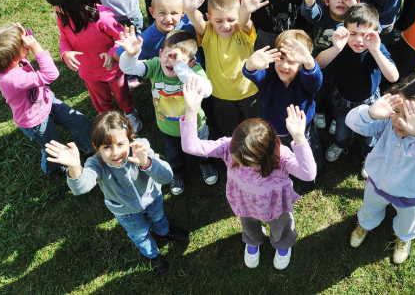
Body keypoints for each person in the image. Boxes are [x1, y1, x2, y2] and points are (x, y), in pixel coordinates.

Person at [180, 75, 317, 270]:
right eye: (239, 159)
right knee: (248, 225)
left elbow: (309, 174)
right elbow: (191, 146)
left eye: (250, 161)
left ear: (268, 152)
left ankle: (282, 244)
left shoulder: (281, 156)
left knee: (280, 228)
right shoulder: (228, 146)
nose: (243, 164)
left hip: (276, 204)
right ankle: (253, 240)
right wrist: (192, 110)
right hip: (243, 201)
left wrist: (299, 138)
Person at [44, 111, 189, 273]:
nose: (115, 153)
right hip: (125, 211)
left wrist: (146, 162)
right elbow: (80, 187)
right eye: (106, 147)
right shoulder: (96, 164)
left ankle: (163, 231)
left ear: (130, 139)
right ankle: (152, 255)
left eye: (120, 144)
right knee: (140, 234)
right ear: (96, 147)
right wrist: (75, 167)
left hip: (153, 198)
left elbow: (167, 177)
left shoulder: (141, 148)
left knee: (158, 217)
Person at [346, 74, 415, 264]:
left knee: (407, 222)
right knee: (370, 208)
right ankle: (365, 224)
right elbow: (351, 122)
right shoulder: (387, 122)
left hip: (410, 194)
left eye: (409, 117)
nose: (399, 121)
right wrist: (370, 114)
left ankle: (404, 239)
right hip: (377, 184)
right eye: (397, 111)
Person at [117, 26, 218, 196]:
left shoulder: (194, 73)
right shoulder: (155, 66)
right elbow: (128, 69)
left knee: (202, 149)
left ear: (191, 64)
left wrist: (181, 68)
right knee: (173, 154)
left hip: (196, 126)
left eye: (178, 59)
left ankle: (205, 163)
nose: (171, 61)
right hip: (167, 127)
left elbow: (207, 91)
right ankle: (177, 172)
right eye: (168, 55)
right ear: (160, 54)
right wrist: (131, 55)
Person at [44, 0, 141, 132]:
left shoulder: (102, 16)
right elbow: (64, 38)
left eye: (58, 4)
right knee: (101, 101)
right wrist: (65, 53)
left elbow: (121, 37)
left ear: (73, 0)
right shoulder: (63, 17)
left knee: (122, 95)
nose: (55, 9)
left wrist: (112, 53)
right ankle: (110, 122)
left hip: (112, 70)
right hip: (89, 72)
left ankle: (129, 112)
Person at [0, 24, 94, 174]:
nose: (28, 40)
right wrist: (36, 48)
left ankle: (90, 146)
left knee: (80, 122)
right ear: (14, 57)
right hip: (36, 120)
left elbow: (27, 39)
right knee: (53, 148)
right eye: (23, 41)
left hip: (47, 101)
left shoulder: (10, 61)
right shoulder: (12, 78)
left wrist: (22, 32)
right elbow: (51, 74)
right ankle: (54, 169)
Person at [316, 4, 398, 170]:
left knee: (371, 133)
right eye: (353, 34)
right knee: (342, 128)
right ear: (345, 30)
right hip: (342, 98)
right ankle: (341, 143)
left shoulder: (377, 48)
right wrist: (336, 47)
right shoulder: (341, 44)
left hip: (369, 101)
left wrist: (375, 51)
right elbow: (318, 64)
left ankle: (369, 154)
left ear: (376, 34)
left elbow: (393, 76)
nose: (359, 40)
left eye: (365, 35)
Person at [243, 29, 324, 192]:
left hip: (302, 130)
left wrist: (309, 61)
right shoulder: (269, 74)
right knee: (278, 155)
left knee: (309, 153)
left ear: (302, 65)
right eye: (281, 58)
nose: (285, 66)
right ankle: (283, 172)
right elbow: (253, 75)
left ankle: (311, 177)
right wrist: (250, 64)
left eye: (292, 61)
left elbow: (315, 80)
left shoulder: (305, 79)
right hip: (274, 129)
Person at [179, 0, 264, 136]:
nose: (226, 25)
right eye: (219, 21)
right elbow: (197, 22)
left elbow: (245, 22)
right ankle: (231, 155)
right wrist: (190, 10)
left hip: (249, 92)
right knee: (228, 131)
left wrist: (246, 11)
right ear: (209, 18)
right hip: (220, 95)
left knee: (255, 129)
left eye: (231, 19)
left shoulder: (242, 30)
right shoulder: (208, 32)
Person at [301, 0, 363, 132]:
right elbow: (308, 12)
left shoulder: (355, 20)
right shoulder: (322, 13)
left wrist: (355, 8)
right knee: (319, 91)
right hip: (321, 65)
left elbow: (365, 24)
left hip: (342, 69)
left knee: (338, 96)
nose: (342, 1)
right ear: (326, 0)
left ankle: (336, 117)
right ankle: (319, 110)